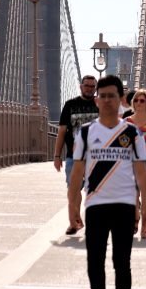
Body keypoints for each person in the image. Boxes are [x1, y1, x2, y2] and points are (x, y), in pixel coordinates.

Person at [68, 75, 146, 289]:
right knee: (94, 258)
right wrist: (72, 206)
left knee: (121, 262)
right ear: (97, 100)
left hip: (124, 204)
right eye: (102, 96)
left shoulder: (132, 133)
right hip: (96, 203)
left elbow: (141, 172)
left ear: (121, 100)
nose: (106, 101)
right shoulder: (85, 133)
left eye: (111, 96)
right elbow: (77, 172)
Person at [54, 74, 99, 235]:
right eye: (87, 86)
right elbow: (62, 131)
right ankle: (75, 220)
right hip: (74, 156)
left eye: (93, 86)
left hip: (96, 156)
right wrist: (57, 156)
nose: (89, 89)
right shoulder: (70, 105)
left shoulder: (101, 105)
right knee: (73, 190)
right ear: (81, 87)